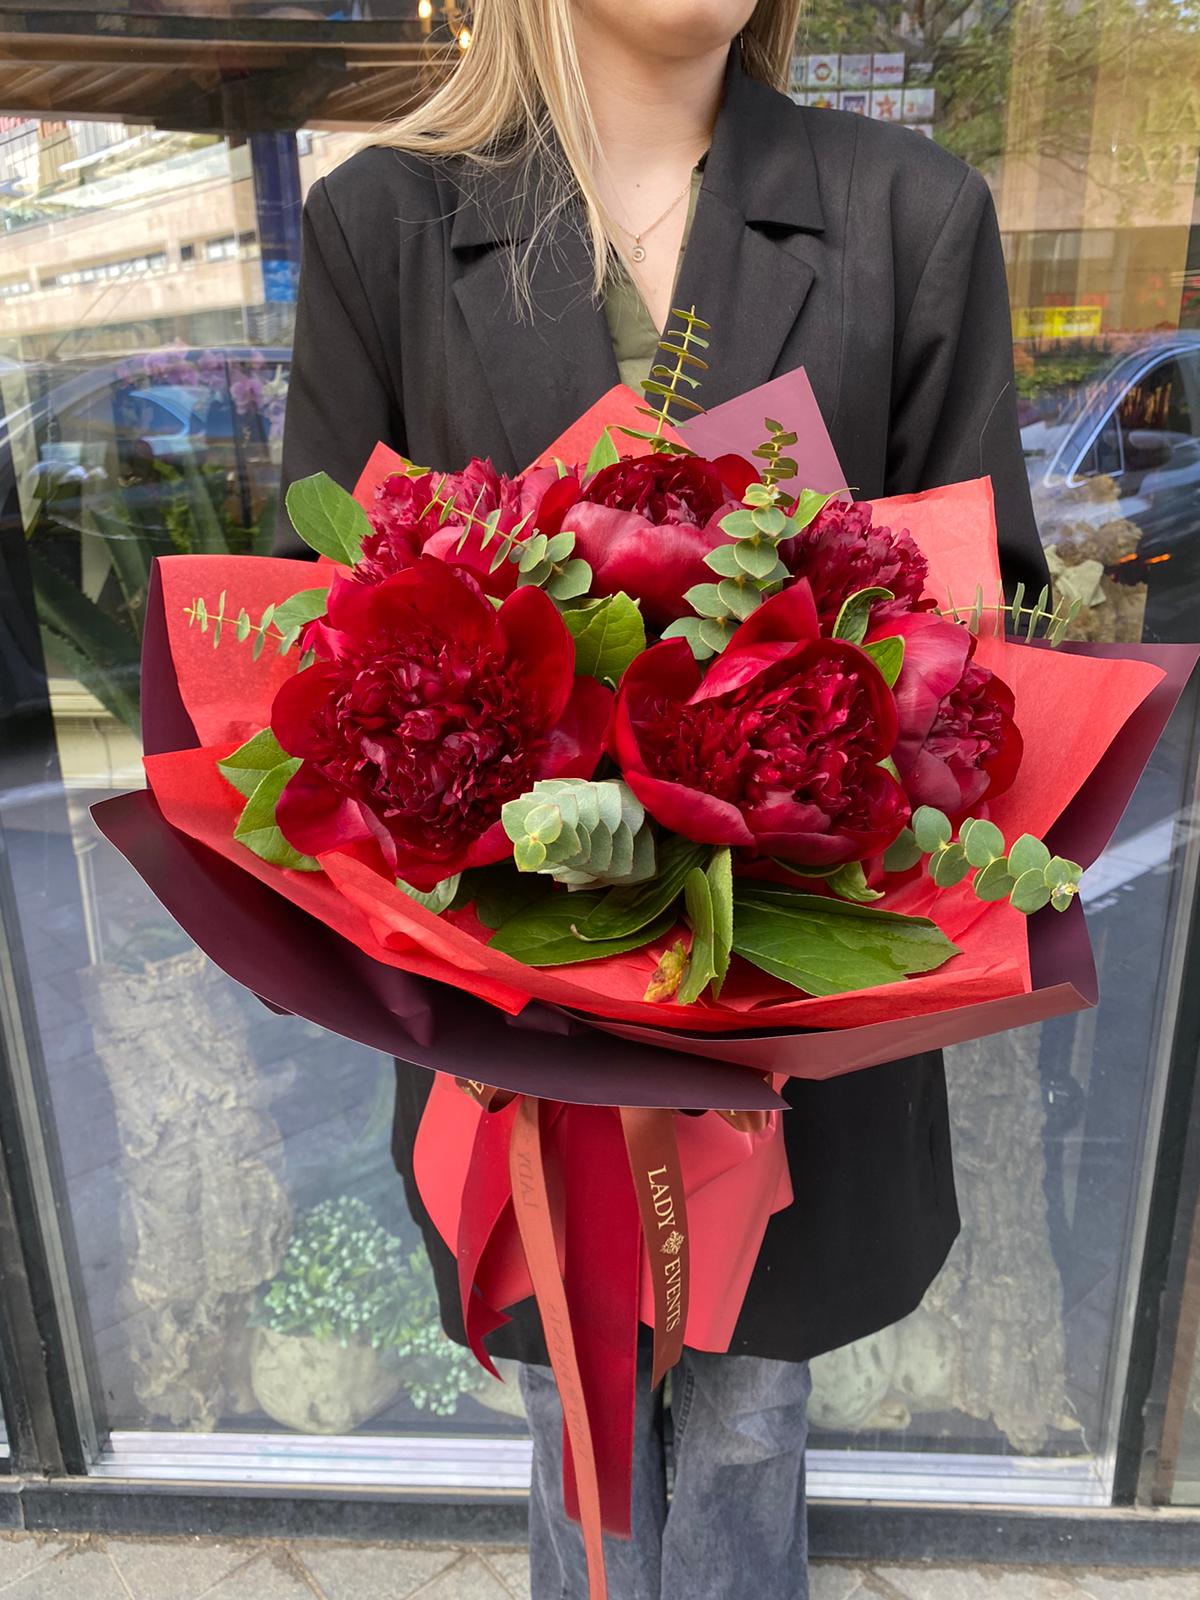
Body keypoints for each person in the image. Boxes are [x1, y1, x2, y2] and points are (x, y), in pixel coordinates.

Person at [274, 3, 1049, 1595]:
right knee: (573, 1404)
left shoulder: (909, 215)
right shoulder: (388, 224)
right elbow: (321, 637)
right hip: (522, 1019)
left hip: (797, 996)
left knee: (755, 1411)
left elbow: (982, 640)